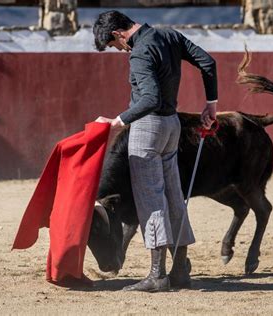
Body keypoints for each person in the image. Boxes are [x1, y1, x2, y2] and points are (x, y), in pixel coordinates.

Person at [93, 11, 218, 292]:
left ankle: (157, 275)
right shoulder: (168, 35)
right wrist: (211, 103)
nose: (121, 50)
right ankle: (180, 272)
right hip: (172, 125)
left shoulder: (139, 53)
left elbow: (149, 98)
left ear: (118, 34)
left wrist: (118, 120)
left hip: (146, 129)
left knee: (151, 199)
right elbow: (207, 61)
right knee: (174, 195)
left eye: (116, 46)